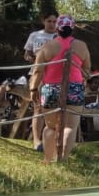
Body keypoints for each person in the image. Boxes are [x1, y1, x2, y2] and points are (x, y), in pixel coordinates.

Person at [31, 15, 91, 163]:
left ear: (57, 29)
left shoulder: (47, 47)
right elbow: (87, 70)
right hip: (74, 89)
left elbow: (38, 71)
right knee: (70, 126)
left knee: (50, 127)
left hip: (51, 89)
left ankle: (47, 159)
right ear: (73, 28)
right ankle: (62, 160)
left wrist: (33, 89)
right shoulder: (82, 46)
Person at [23, 12, 60, 151]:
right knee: (38, 107)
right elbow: (27, 53)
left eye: (54, 22)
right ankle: (36, 140)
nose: (52, 24)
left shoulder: (60, 37)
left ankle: (52, 140)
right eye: (49, 21)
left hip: (55, 75)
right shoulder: (35, 35)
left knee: (54, 108)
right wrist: (32, 58)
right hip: (37, 73)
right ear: (44, 21)